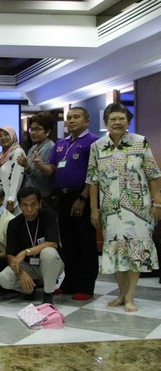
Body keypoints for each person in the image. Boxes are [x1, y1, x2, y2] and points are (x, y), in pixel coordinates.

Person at [87, 103, 161, 312]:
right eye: (113, 119)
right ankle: (121, 293)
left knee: (135, 250)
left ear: (128, 122)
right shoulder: (97, 146)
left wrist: (158, 202)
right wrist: (94, 209)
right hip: (110, 209)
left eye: (121, 119)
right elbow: (92, 180)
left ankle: (130, 296)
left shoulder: (140, 142)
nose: (117, 122)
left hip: (139, 209)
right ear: (106, 123)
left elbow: (153, 174)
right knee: (115, 250)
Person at [42, 107, 99, 300]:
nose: (72, 120)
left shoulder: (93, 142)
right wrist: (40, 166)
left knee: (85, 242)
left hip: (82, 196)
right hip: (63, 197)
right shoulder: (61, 143)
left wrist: (82, 198)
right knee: (67, 242)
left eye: (76, 117)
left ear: (87, 121)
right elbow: (52, 168)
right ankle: (70, 283)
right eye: (69, 117)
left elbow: (94, 174)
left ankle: (86, 286)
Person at [0, 187, 64, 305]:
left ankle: (48, 294)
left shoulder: (48, 215)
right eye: (25, 205)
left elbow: (53, 243)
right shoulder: (14, 223)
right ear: (20, 206)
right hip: (27, 266)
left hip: (48, 265)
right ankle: (29, 288)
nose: (29, 210)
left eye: (33, 204)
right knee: (4, 278)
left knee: (49, 252)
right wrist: (21, 273)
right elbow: (10, 255)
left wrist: (25, 252)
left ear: (40, 204)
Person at [17, 112, 56, 208]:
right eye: (32, 129)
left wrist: (27, 166)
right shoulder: (34, 147)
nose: (33, 133)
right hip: (31, 195)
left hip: (42, 197)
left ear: (47, 131)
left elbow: (44, 179)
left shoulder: (49, 147)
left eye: (38, 129)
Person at [0, 126, 25, 215]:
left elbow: (16, 178)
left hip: (12, 203)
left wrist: (11, 200)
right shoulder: (1, 156)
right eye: (0, 136)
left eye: (6, 134)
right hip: (0, 201)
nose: (3, 138)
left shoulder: (18, 152)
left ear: (12, 135)